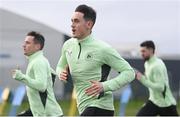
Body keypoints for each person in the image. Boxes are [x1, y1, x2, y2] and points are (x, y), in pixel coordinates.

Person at [56, 4, 135, 116]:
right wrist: (61, 73)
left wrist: (104, 86)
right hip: (83, 106)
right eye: (72, 21)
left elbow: (129, 73)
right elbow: (59, 66)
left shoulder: (103, 49)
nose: (72, 25)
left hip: (101, 107)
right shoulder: (68, 45)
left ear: (89, 24)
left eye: (77, 21)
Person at [12, 31, 63, 116]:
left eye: (27, 43)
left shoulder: (38, 61)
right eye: (24, 42)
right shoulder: (36, 60)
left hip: (48, 114)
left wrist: (21, 77)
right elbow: (53, 75)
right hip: (43, 113)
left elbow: (41, 86)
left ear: (37, 46)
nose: (23, 45)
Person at [136, 40, 179, 116]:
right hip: (154, 101)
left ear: (151, 50)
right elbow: (151, 81)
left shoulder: (157, 66)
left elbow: (160, 87)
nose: (141, 54)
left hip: (166, 104)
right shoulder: (147, 63)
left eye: (143, 51)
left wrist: (143, 80)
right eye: (141, 51)